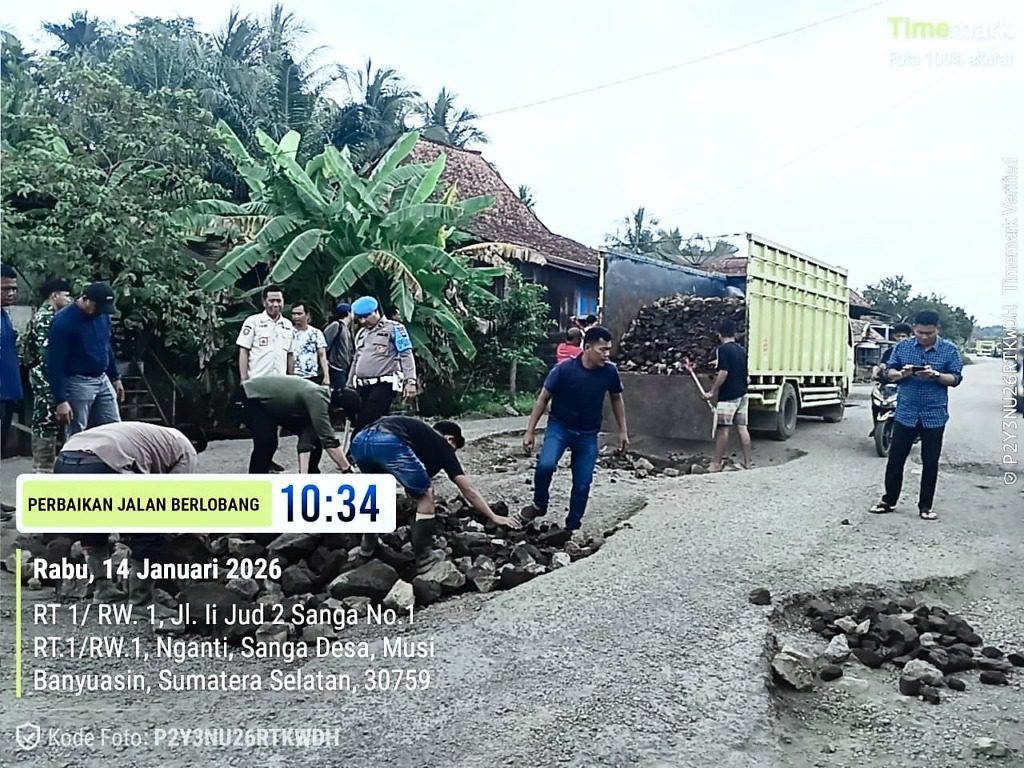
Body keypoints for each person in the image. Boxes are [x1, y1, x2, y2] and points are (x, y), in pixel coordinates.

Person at [54, 421, 207, 610]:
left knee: (93, 521)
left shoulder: (150, 436)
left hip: (65, 461)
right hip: (104, 464)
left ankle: (103, 589)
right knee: (149, 530)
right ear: (195, 444)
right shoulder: (186, 448)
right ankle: (141, 604)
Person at [351, 416, 519, 572]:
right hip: (388, 441)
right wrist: (493, 516)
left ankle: (367, 549)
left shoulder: (419, 435)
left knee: (377, 493)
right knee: (426, 495)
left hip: (359, 441)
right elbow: (467, 489)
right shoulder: (443, 444)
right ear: (451, 439)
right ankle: (424, 558)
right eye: (455, 449)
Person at [515, 326, 629, 532]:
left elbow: (616, 398)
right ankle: (539, 504)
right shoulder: (564, 370)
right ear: (587, 348)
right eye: (602, 350)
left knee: (583, 483)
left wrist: (623, 431)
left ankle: (570, 529)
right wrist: (529, 431)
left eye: (608, 350)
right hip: (560, 428)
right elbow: (543, 399)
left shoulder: (609, 372)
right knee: (545, 466)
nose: (607, 354)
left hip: (587, 434)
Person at [869, 309, 964, 521]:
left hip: (934, 413)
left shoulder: (949, 350)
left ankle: (925, 507)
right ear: (914, 328)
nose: (923, 337)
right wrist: (902, 374)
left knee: (930, 462)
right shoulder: (902, 347)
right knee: (895, 459)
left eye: (928, 333)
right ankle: (888, 500)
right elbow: (889, 372)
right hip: (905, 411)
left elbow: (956, 378)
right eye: (920, 332)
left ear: (937, 329)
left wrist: (936, 375)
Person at [45, 281, 124, 438]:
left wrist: (115, 377)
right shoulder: (64, 321)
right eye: (98, 307)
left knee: (115, 428)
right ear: (86, 299)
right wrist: (61, 400)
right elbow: (54, 362)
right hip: (78, 381)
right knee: (78, 433)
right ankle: (74, 461)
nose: (100, 312)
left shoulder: (102, 316)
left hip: (102, 377)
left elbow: (107, 347)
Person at [233, 375, 354, 474]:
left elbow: (307, 441)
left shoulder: (322, 397)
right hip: (249, 397)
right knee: (267, 443)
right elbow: (328, 440)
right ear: (339, 410)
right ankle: (255, 486)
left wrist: (303, 475)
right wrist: (347, 470)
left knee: (315, 437)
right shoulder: (318, 400)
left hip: (273, 406)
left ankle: (312, 475)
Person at [347, 296, 418, 433]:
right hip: (363, 385)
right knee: (370, 421)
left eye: (366, 317)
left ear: (377, 311)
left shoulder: (395, 328)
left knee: (367, 418)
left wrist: (410, 381)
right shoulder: (362, 333)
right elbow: (356, 360)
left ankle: (352, 451)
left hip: (384, 383)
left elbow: (406, 354)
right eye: (359, 318)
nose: (363, 321)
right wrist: (349, 386)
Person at [24, 278, 73, 472]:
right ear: (55, 295)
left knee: (45, 422)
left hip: (45, 376)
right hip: (44, 377)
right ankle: (42, 469)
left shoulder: (50, 315)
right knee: (45, 422)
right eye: (66, 295)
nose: (69, 299)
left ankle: (42, 468)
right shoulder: (45, 317)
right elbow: (47, 355)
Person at [703, 319, 752, 471]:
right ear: (734, 334)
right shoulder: (741, 350)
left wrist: (712, 391)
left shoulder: (722, 350)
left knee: (723, 429)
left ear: (719, 334)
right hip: (743, 394)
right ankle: (748, 463)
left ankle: (716, 464)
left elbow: (724, 372)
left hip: (728, 396)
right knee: (742, 428)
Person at [237, 285, 294, 382]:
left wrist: (292, 378)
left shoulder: (288, 325)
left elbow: (290, 354)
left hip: (280, 381)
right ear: (264, 302)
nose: (275, 304)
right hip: (257, 380)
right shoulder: (253, 321)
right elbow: (244, 351)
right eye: (271, 301)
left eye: (278, 301)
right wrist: (244, 379)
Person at [1, 265, 22, 462]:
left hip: (8, 392)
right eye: (5, 289)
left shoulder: (5, 315)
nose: (11, 293)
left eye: (14, 288)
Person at [290, 301, 328, 385]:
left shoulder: (316, 333)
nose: (296, 317)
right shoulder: (288, 333)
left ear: (307, 315)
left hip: (313, 376)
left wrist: (326, 375)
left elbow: (322, 356)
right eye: (294, 314)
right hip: (294, 376)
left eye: (299, 314)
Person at [323, 302, 355, 395]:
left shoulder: (346, 328)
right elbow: (324, 345)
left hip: (344, 368)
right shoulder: (336, 325)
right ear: (348, 313)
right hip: (335, 368)